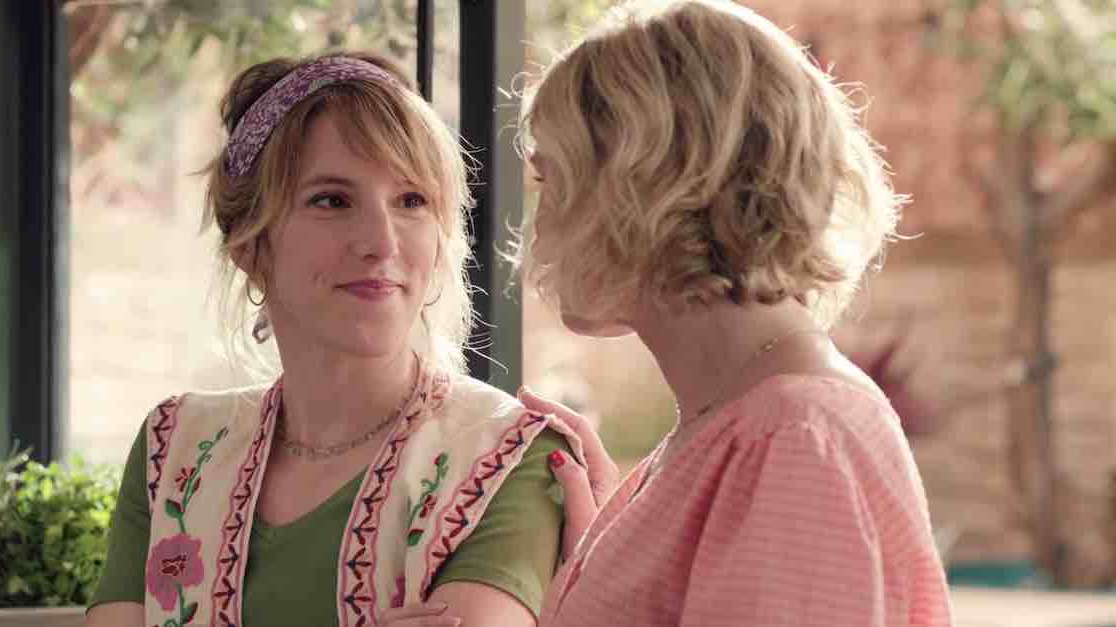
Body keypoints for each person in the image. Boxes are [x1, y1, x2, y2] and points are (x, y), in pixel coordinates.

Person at [386, 1, 953, 625]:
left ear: (648, 185)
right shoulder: (735, 422)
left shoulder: (792, 441)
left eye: (551, 180)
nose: (537, 223)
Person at [84, 52, 582, 627]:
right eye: (332, 201)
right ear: (250, 245)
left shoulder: (512, 457)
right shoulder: (172, 450)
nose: (382, 242)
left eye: (412, 201)